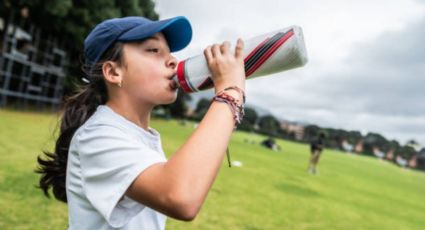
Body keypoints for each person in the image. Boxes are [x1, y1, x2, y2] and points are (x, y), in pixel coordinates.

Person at [35, 16, 246, 230]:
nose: (173, 60)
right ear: (114, 72)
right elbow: (181, 197)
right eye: (154, 50)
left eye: (169, 52)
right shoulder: (97, 136)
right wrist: (230, 91)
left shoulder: (137, 135)